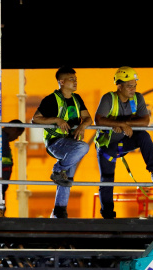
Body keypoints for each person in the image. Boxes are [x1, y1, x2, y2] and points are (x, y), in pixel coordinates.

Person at [94, 66, 153, 219]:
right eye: (129, 86)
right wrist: (125, 125)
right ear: (119, 86)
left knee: (144, 136)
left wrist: (122, 124)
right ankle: (108, 215)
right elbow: (99, 120)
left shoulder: (137, 98)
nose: (133, 89)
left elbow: (145, 121)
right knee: (107, 179)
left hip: (124, 142)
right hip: (108, 145)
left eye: (135, 85)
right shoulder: (109, 98)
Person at [32, 66, 92, 218]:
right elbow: (36, 119)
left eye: (76, 79)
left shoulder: (77, 99)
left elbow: (88, 118)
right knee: (83, 147)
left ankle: (59, 210)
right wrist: (57, 120)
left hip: (71, 142)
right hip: (56, 142)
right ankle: (58, 170)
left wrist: (82, 127)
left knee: (68, 176)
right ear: (62, 82)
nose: (75, 82)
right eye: (72, 79)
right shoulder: (51, 99)